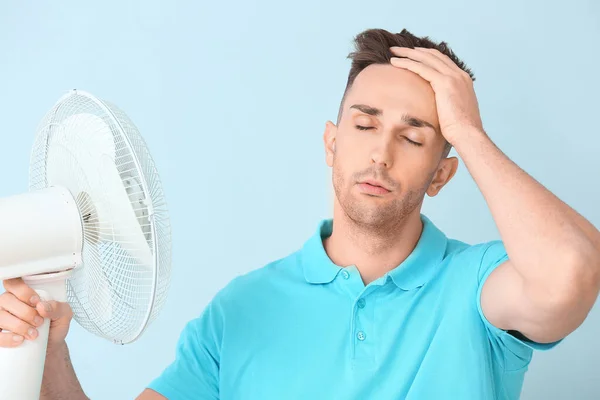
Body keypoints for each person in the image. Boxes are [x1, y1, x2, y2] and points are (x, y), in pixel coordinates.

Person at [2, 28, 599, 400]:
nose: (380, 153)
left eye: (413, 138)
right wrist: (49, 350)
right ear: (331, 143)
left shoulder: (483, 288)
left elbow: (572, 273)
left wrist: (466, 130)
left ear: (443, 173)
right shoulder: (240, 311)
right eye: (363, 125)